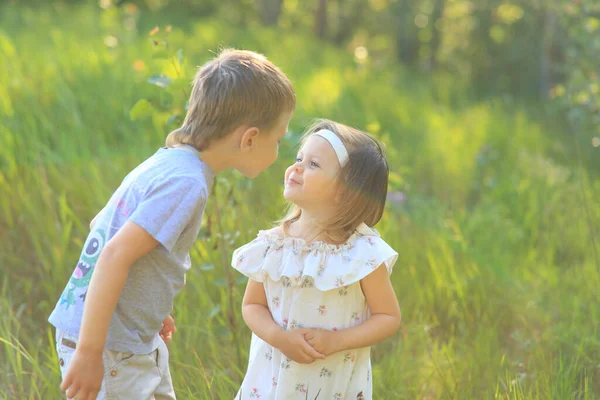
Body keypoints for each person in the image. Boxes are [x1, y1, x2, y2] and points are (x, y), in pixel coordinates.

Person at [48, 48, 295, 400]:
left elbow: (100, 226)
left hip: (124, 335)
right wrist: (90, 351)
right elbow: (115, 253)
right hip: (109, 346)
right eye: (279, 140)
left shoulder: (167, 163)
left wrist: (148, 306)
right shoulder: (187, 183)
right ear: (250, 138)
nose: (278, 152)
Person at [233, 119, 401, 399]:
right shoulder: (274, 245)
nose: (296, 167)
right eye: (299, 158)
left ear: (343, 191)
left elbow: (388, 316)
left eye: (313, 165)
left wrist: (337, 341)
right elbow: (252, 305)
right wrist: (280, 339)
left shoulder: (360, 253)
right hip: (273, 379)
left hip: (333, 383)